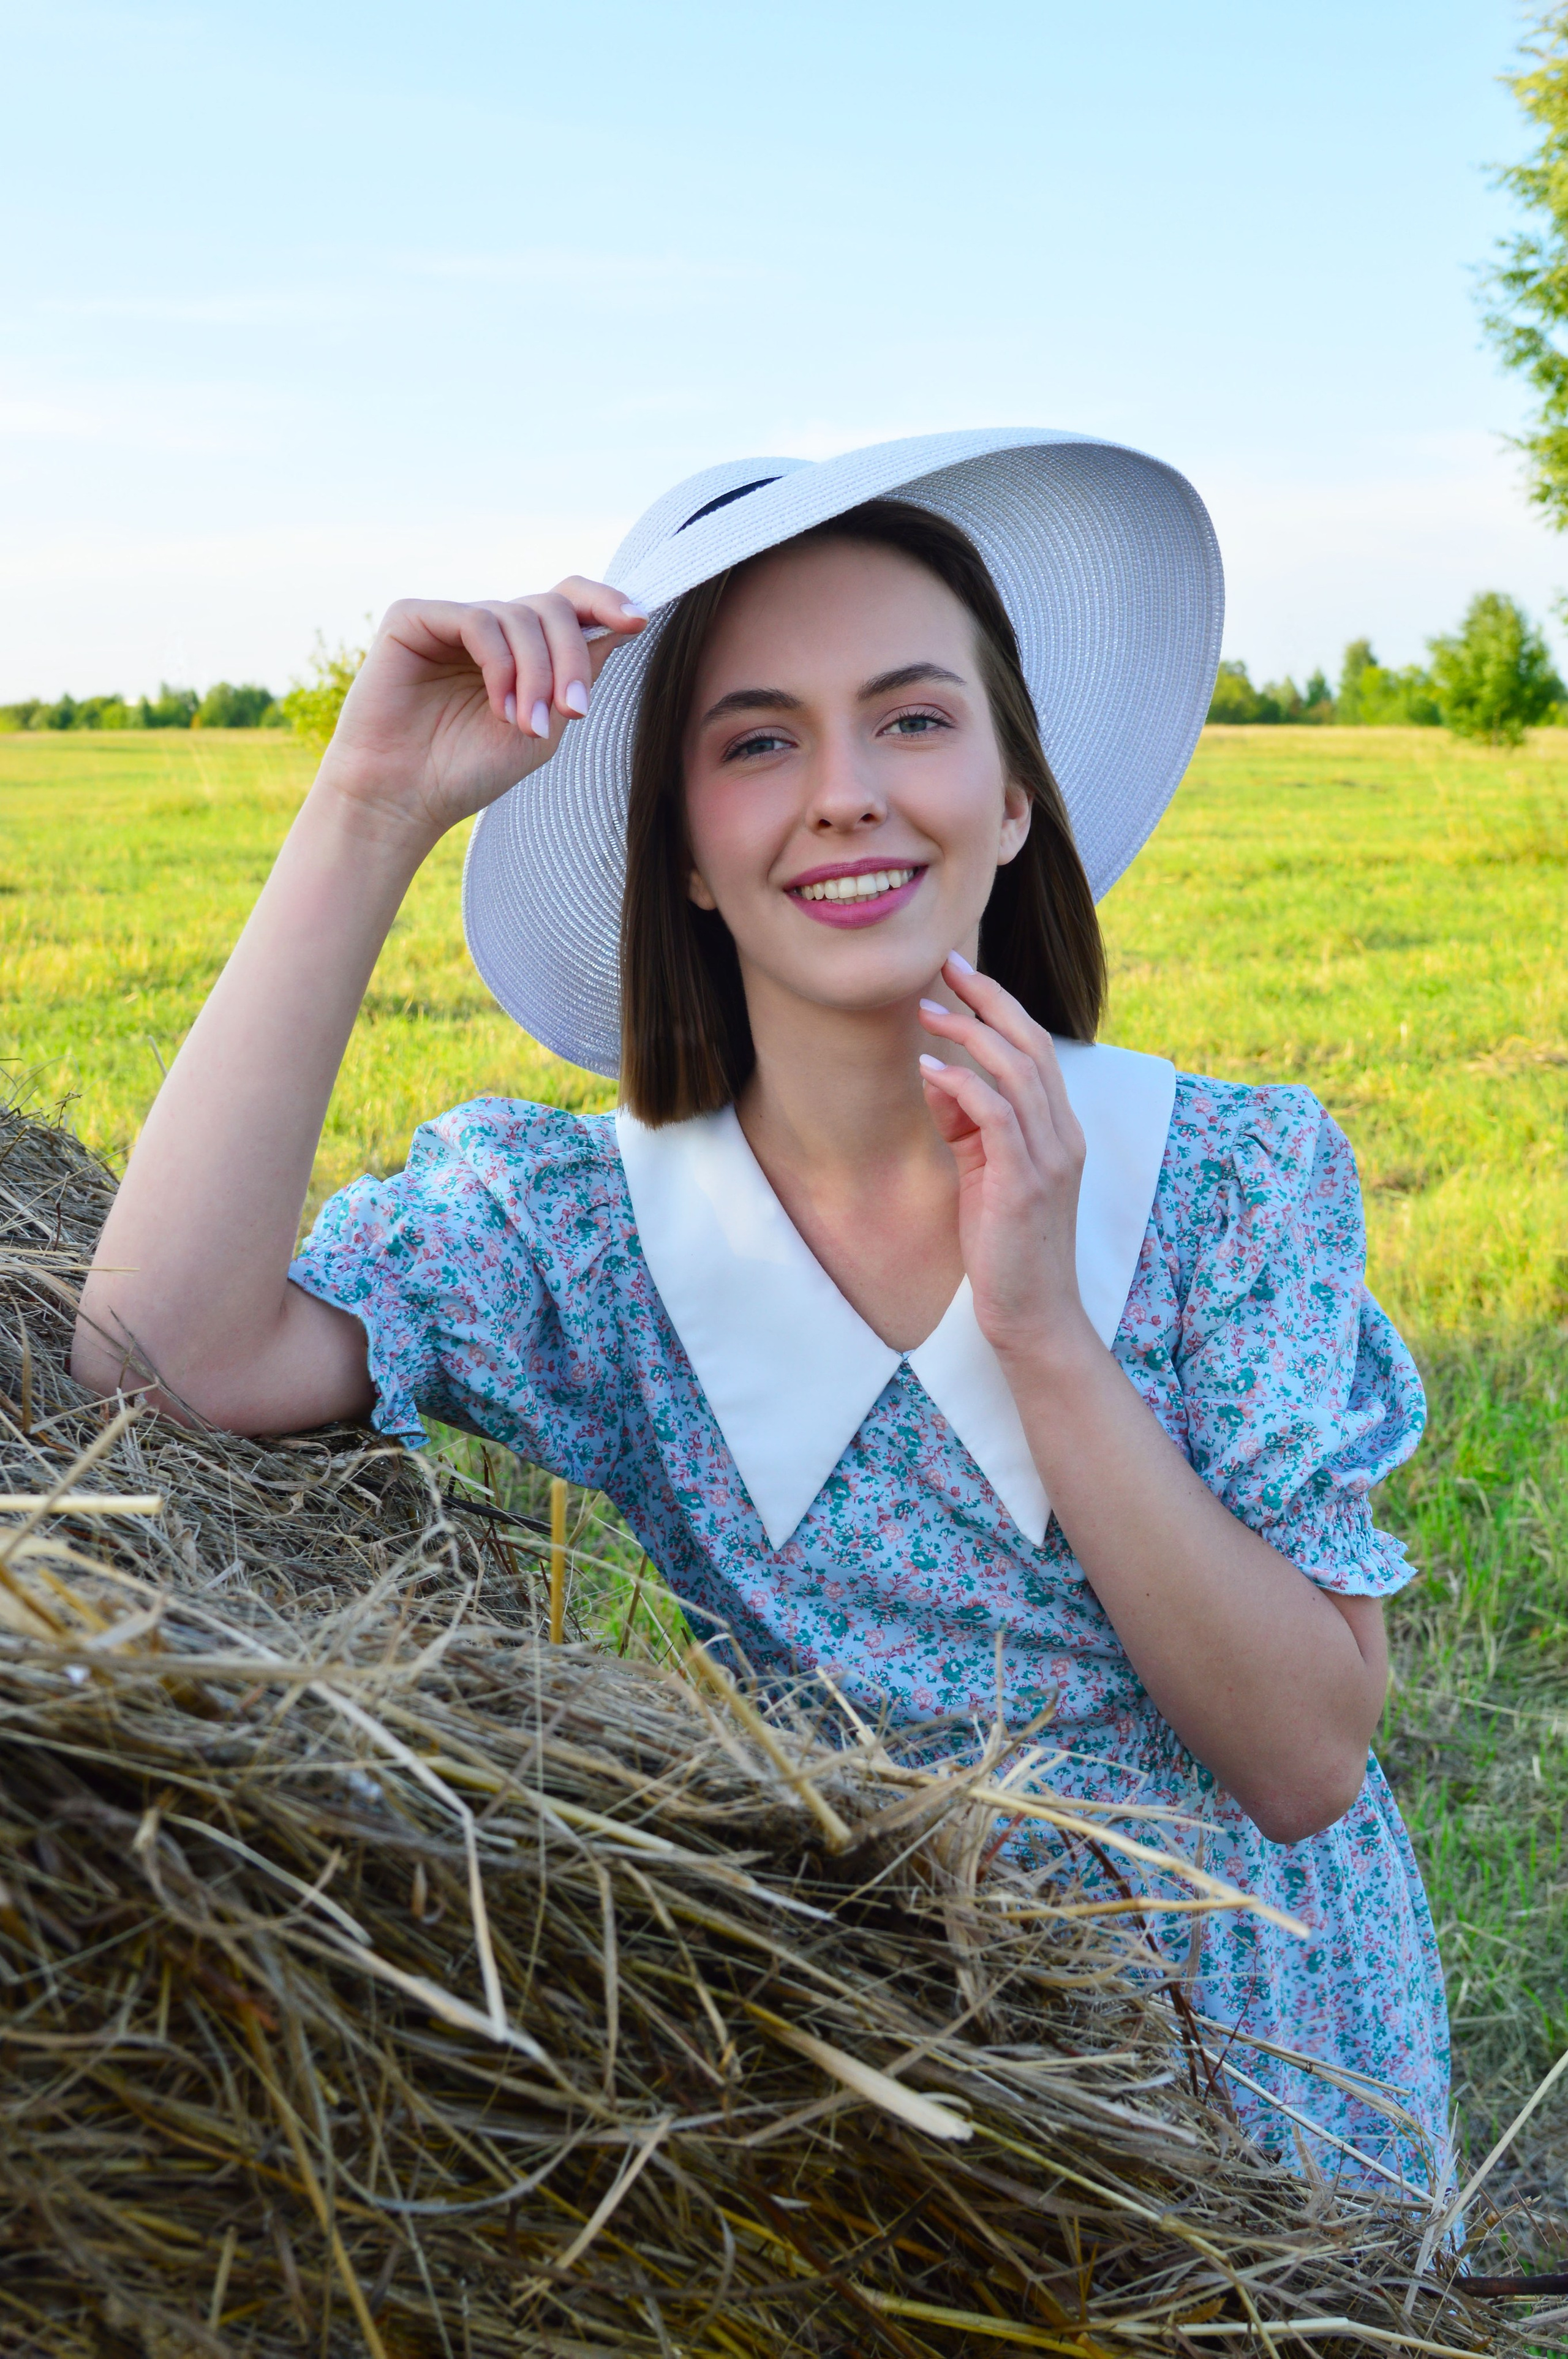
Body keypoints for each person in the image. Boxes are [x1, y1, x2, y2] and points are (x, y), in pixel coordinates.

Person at [74, 430, 1447, 2191]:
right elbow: (155, 1357)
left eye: (916, 717)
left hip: (1282, 2083)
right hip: (905, 2097)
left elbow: (1306, 1756)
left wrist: (1041, 1325)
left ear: (1016, 796)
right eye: (757, 742)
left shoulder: (1232, 1178)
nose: (847, 789)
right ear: (691, 856)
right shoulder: (591, 1238)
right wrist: (368, 809)